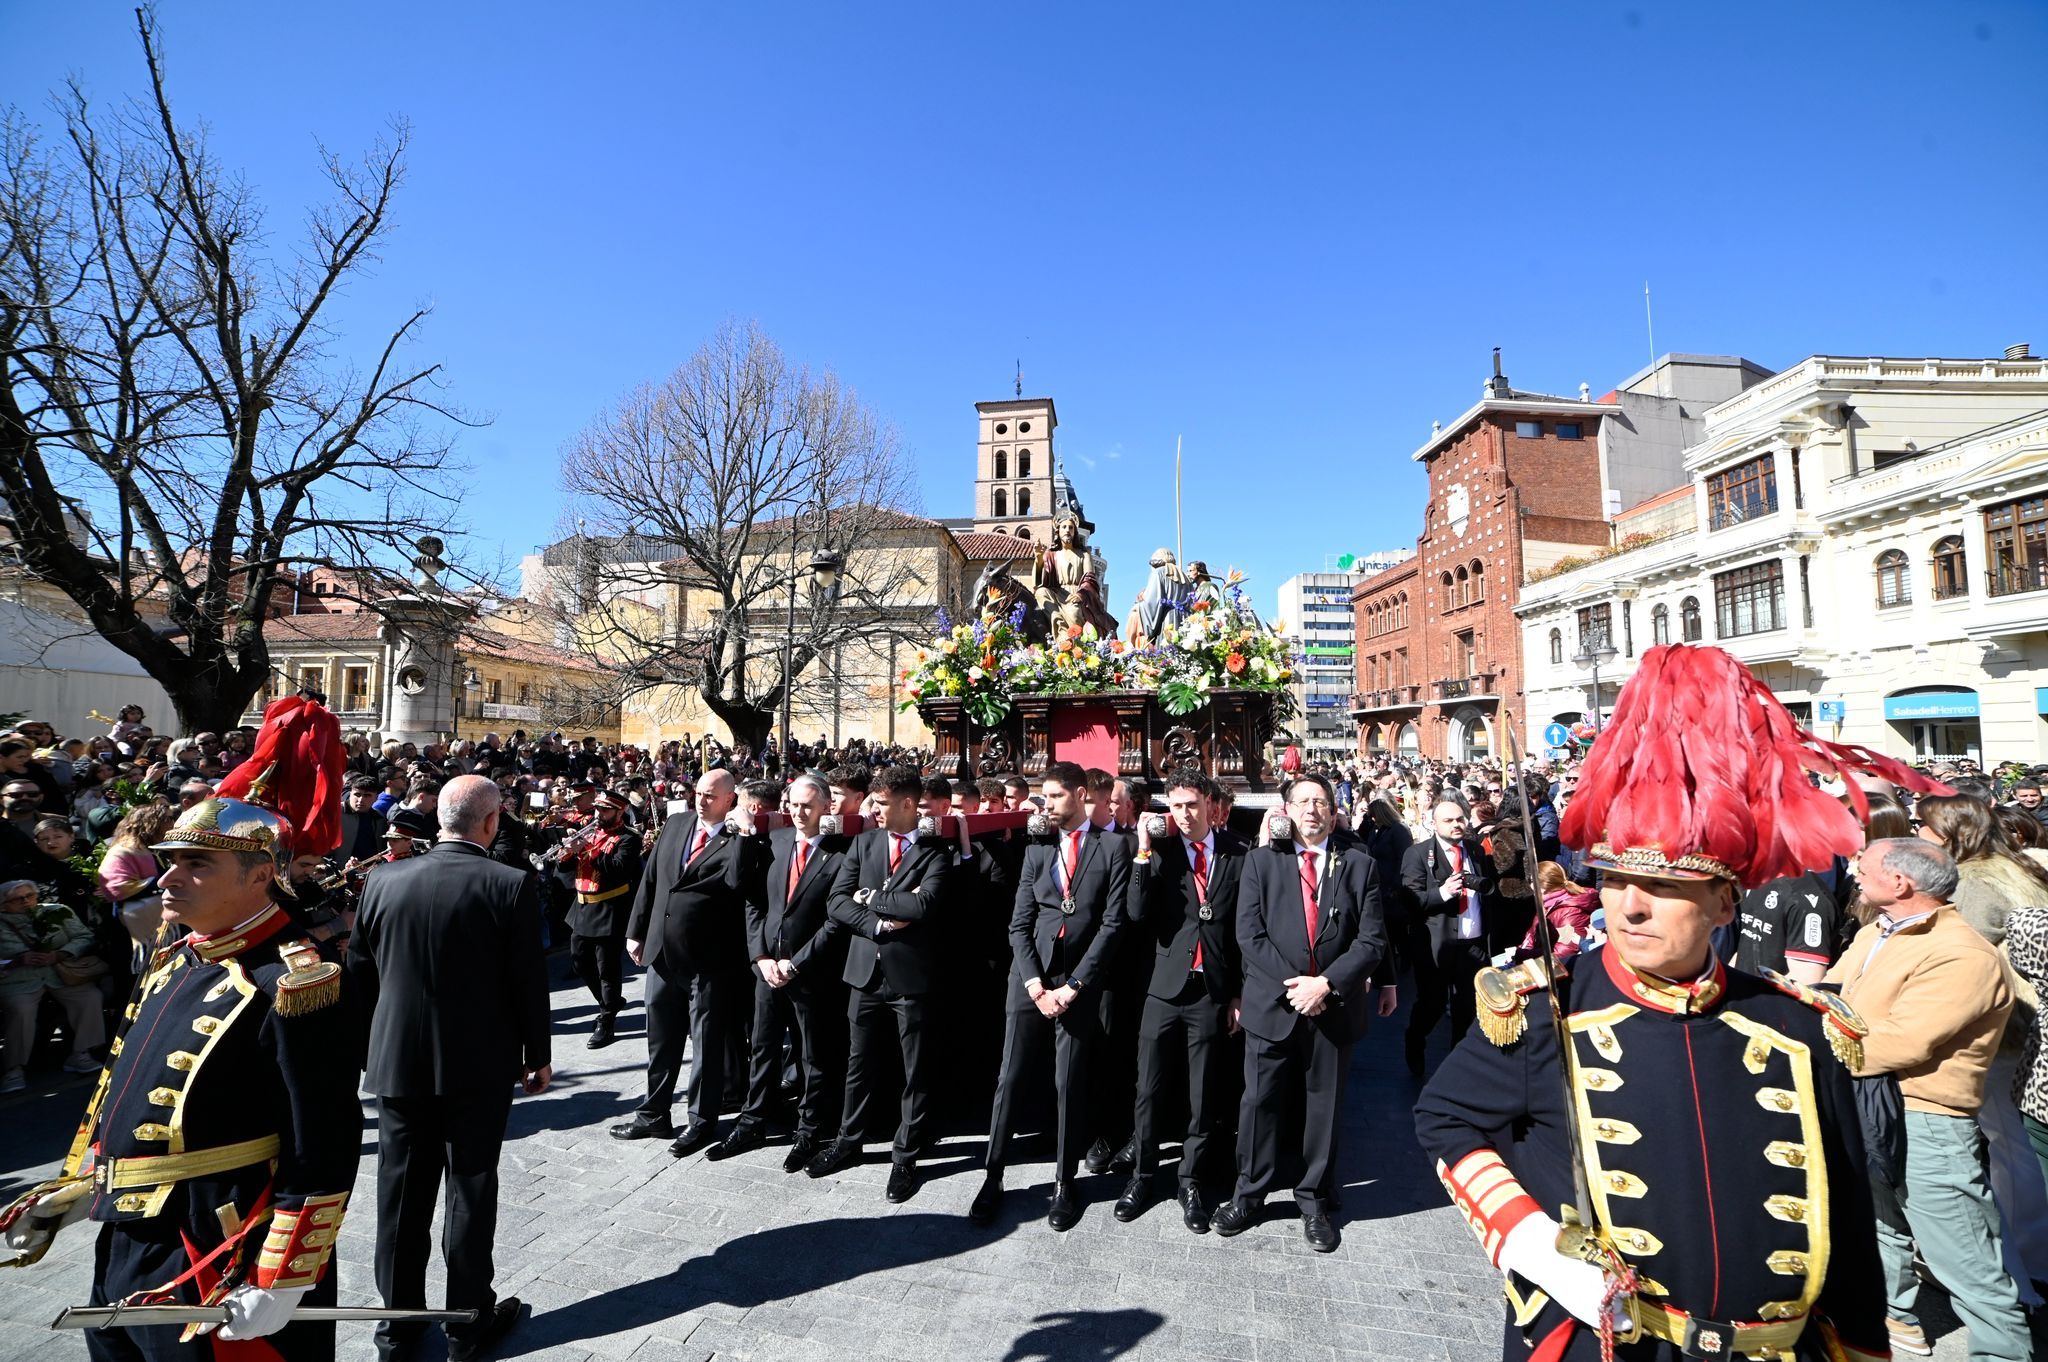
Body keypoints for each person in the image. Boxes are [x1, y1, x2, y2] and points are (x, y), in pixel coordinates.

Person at [1414, 643, 1904, 1362]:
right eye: (1613, 880)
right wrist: (1538, 1250)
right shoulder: (1549, 1007)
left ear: (1723, 902)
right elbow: (1446, 1118)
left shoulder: (1799, 1026)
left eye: (1666, 887)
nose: (1630, 906)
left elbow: (1849, 1224)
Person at [2, 714, 362, 1362]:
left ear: (260, 876)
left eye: (196, 864)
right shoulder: (178, 957)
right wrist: (79, 1188)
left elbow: (325, 1146)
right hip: (127, 1236)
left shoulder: (292, 981)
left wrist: (284, 1275)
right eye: (168, 863)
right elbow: (124, 1090)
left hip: (215, 1247)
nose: (166, 880)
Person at [349, 774, 552, 1362]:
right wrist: (536, 1055)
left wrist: (368, 1052)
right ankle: (466, 1322)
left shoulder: (382, 880)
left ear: (440, 819)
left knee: (400, 1197)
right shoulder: (510, 883)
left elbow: (361, 975)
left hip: (396, 1065)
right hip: (478, 1065)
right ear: (490, 823)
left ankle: (397, 1327)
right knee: (469, 1189)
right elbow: (526, 980)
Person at [1827, 838, 2031, 1361]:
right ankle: (1895, 1323)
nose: (1853, 872)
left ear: (1900, 883)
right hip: (1865, 1101)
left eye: (1864, 866)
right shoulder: (1878, 930)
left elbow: (1901, 1042)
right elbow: (1835, 993)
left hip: (1926, 1118)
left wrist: (1813, 1048)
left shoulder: (1962, 953)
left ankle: (2003, 1352)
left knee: (1965, 1261)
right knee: (1880, 1231)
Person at [1208, 772, 1386, 1252]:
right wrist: (1297, 988)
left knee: (1323, 1111)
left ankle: (1314, 1200)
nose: (1312, 809)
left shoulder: (1359, 865)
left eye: (1321, 801)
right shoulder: (1260, 863)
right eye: (1302, 801)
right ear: (1286, 810)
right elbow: (1250, 936)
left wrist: (1325, 985)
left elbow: (1371, 939)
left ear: (1333, 811)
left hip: (1332, 1009)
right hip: (1274, 1007)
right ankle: (1249, 1194)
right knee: (1259, 1105)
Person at [969, 761, 1132, 1230]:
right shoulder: (1038, 848)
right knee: (1011, 1078)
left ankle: (1065, 1181)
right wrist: (1034, 984)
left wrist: (1074, 986)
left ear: (1081, 795)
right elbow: (1019, 922)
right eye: (1044, 797)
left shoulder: (1113, 848)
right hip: (1031, 980)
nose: (1046, 805)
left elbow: (1112, 924)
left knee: (1069, 1083)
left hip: (1078, 985)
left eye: (1056, 796)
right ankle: (993, 1175)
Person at [805, 766, 953, 1200]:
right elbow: (836, 902)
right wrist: (880, 926)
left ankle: (905, 1157)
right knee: (859, 1064)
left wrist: (869, 898)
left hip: (911, 978)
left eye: (883, 804)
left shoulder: (934, 851)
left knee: (914, 1070)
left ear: (908, 804)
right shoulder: (864, 843)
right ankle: (850, 1142)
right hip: (865, 972)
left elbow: (924, 904)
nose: (875, 811)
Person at [1117, 772, 1247, 1233]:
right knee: (1149, 1089)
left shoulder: (1238, 855)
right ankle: (1142, 1176)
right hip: (1164, 987)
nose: (1184, 814)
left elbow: (1243, 935)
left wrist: (1237, 993)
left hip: (1211, 991)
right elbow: (1135, 911)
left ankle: (1189, 1181)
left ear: (1210, 805)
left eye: (1192, 804)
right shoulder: (1161, 854)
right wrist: (1142, 850)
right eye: (1176, 806)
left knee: (1202, 1093)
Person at [613, 769, 764, 1156]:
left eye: (711, 795)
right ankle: (654, 1115)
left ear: (731, 799)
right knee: (660, 1039)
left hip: (709, 961)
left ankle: (701, 1122)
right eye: (698, 792)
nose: (701, 800)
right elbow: (652, 879)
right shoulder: (677, 823)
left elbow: (738, 883)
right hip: (662, 954)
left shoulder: (738, 839)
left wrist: (746, 833)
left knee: (706, 1044)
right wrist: (637, 929)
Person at [713, 772, 850, 1170]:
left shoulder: (843, 851)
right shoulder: (775, 841)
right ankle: (752, 1122)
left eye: (808, 805)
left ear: (826, 806)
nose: (799, 811)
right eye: (793, 803)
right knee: (763, 1048)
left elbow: (835, 921)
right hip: (768, 970)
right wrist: (760, 957)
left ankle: (809, 1132)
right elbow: (754, 901)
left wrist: (797, 962)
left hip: (811, 973)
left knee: (813, 1056)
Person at [1400, 798, 1498, 1076]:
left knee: (1467, 1008)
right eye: (1449, 820)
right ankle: (1415, 1042)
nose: (1457, 825)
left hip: (1474, 943)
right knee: (1431, 1005)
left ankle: (1459, 1065)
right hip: (1437, 945)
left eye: (1461, 819)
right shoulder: (1417, 855)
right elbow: (1410, 900)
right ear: (1433, 824)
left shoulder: (1476, 850)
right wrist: (1443, 892)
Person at [0, 880, 105, 1090]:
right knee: (21, 1010)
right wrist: (17, 961)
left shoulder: (57, 912)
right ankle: (14, 1069)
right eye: (18, 899)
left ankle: (81, 1053)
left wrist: (60, 953)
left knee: (90, 997)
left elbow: (84, 936)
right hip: (19, 980)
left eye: (30, 895)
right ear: (3, 905)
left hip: (61, 973)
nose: (26, 901)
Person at [565, 789, 644, 1049]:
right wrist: (566, 853)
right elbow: (563, 870)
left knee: (607, 968)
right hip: (582, 906)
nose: (599, 814)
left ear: (620, 811)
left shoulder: (628, 838)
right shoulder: (588, 832)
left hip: (609, 907)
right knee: (579, 962)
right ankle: (610, 1003)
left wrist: (586, 851)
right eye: (597, 809)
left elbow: (619, 869)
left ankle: (607, 1019)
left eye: (605, 810)